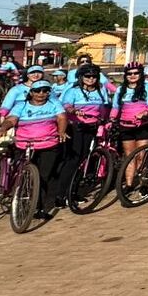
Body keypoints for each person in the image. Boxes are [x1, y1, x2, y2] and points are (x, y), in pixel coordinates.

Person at [0, 79, 68, 220]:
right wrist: (3, 128)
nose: (41, 93)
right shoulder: (21, 105)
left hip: (48, 144)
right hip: (24, 145)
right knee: (20, 174)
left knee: (43, 176)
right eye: (37, 91)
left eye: (45, 91)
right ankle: (16, 197)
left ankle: (39, 207)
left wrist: (61, 131)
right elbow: (12, 119)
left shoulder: (54, 104)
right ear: (31, 93)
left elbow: (62, 117)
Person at [57, 63, 111, 208]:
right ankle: (61, 195)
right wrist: (73, 111)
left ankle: (73, 191)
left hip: (91, 128)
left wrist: (105, 120)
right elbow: (66, 105)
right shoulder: (73, 91)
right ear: (81, 77)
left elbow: (104, 108)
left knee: (84, 160)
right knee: (73, 161)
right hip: (76, 128)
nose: (91, 79)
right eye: (87, 76)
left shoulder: (100, 90)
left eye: (94, 76)